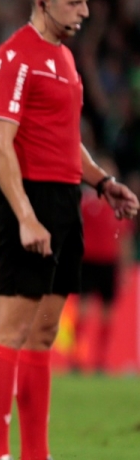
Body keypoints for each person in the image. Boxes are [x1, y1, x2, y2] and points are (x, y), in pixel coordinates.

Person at [0, 0, 139, 460]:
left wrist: (100, 181)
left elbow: (67, 140)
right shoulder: (13, 58)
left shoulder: (65, 60)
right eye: (75, 1)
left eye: (88, 0)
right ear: (43, 1)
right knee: (12, 328)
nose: (86, 11)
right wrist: (24, 216)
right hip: (30, 202)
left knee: (45, 333)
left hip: (66, 201)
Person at [73, 160, 132, 374]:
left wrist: (124, 270)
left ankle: (100, 361)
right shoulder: (86, 204)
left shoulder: (119, 206)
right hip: (88, 263)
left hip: (109, 265)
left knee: (107, 315)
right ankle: (77, 359)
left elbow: (124, 239)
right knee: (83, 312)